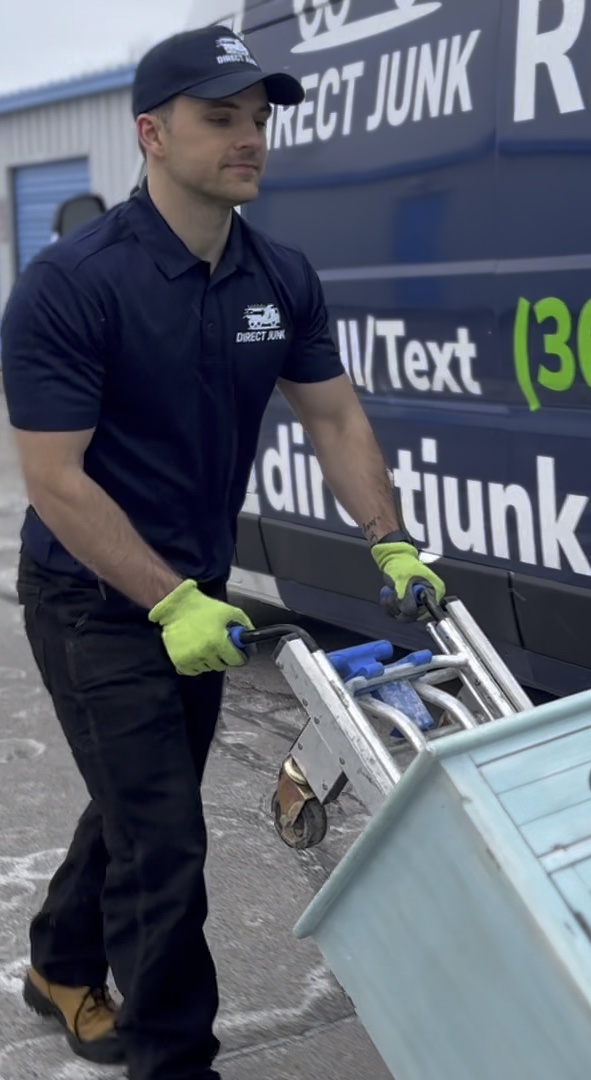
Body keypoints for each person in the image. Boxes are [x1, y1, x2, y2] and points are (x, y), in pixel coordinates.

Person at [0, 24, 445, 1080]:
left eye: (258, 118)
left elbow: (334, 417)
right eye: (220, 117)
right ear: (151, 133)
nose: (248, 137)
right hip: (92, 598)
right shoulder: (71, 285)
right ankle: (173, 1062)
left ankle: (60, 964)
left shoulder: (277, 276)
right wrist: (167, 602)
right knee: (166, 842)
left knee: (135, 799)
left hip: (193, 595)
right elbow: (54, 480)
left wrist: (391, 545)